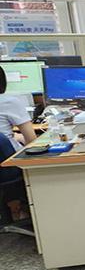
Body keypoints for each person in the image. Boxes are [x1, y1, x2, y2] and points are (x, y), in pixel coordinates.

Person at [0, 67, 36, 221]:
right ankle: (19, 210)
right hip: (7, 167)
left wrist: (11, 137)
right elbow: (32, 140)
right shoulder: (8, 101)